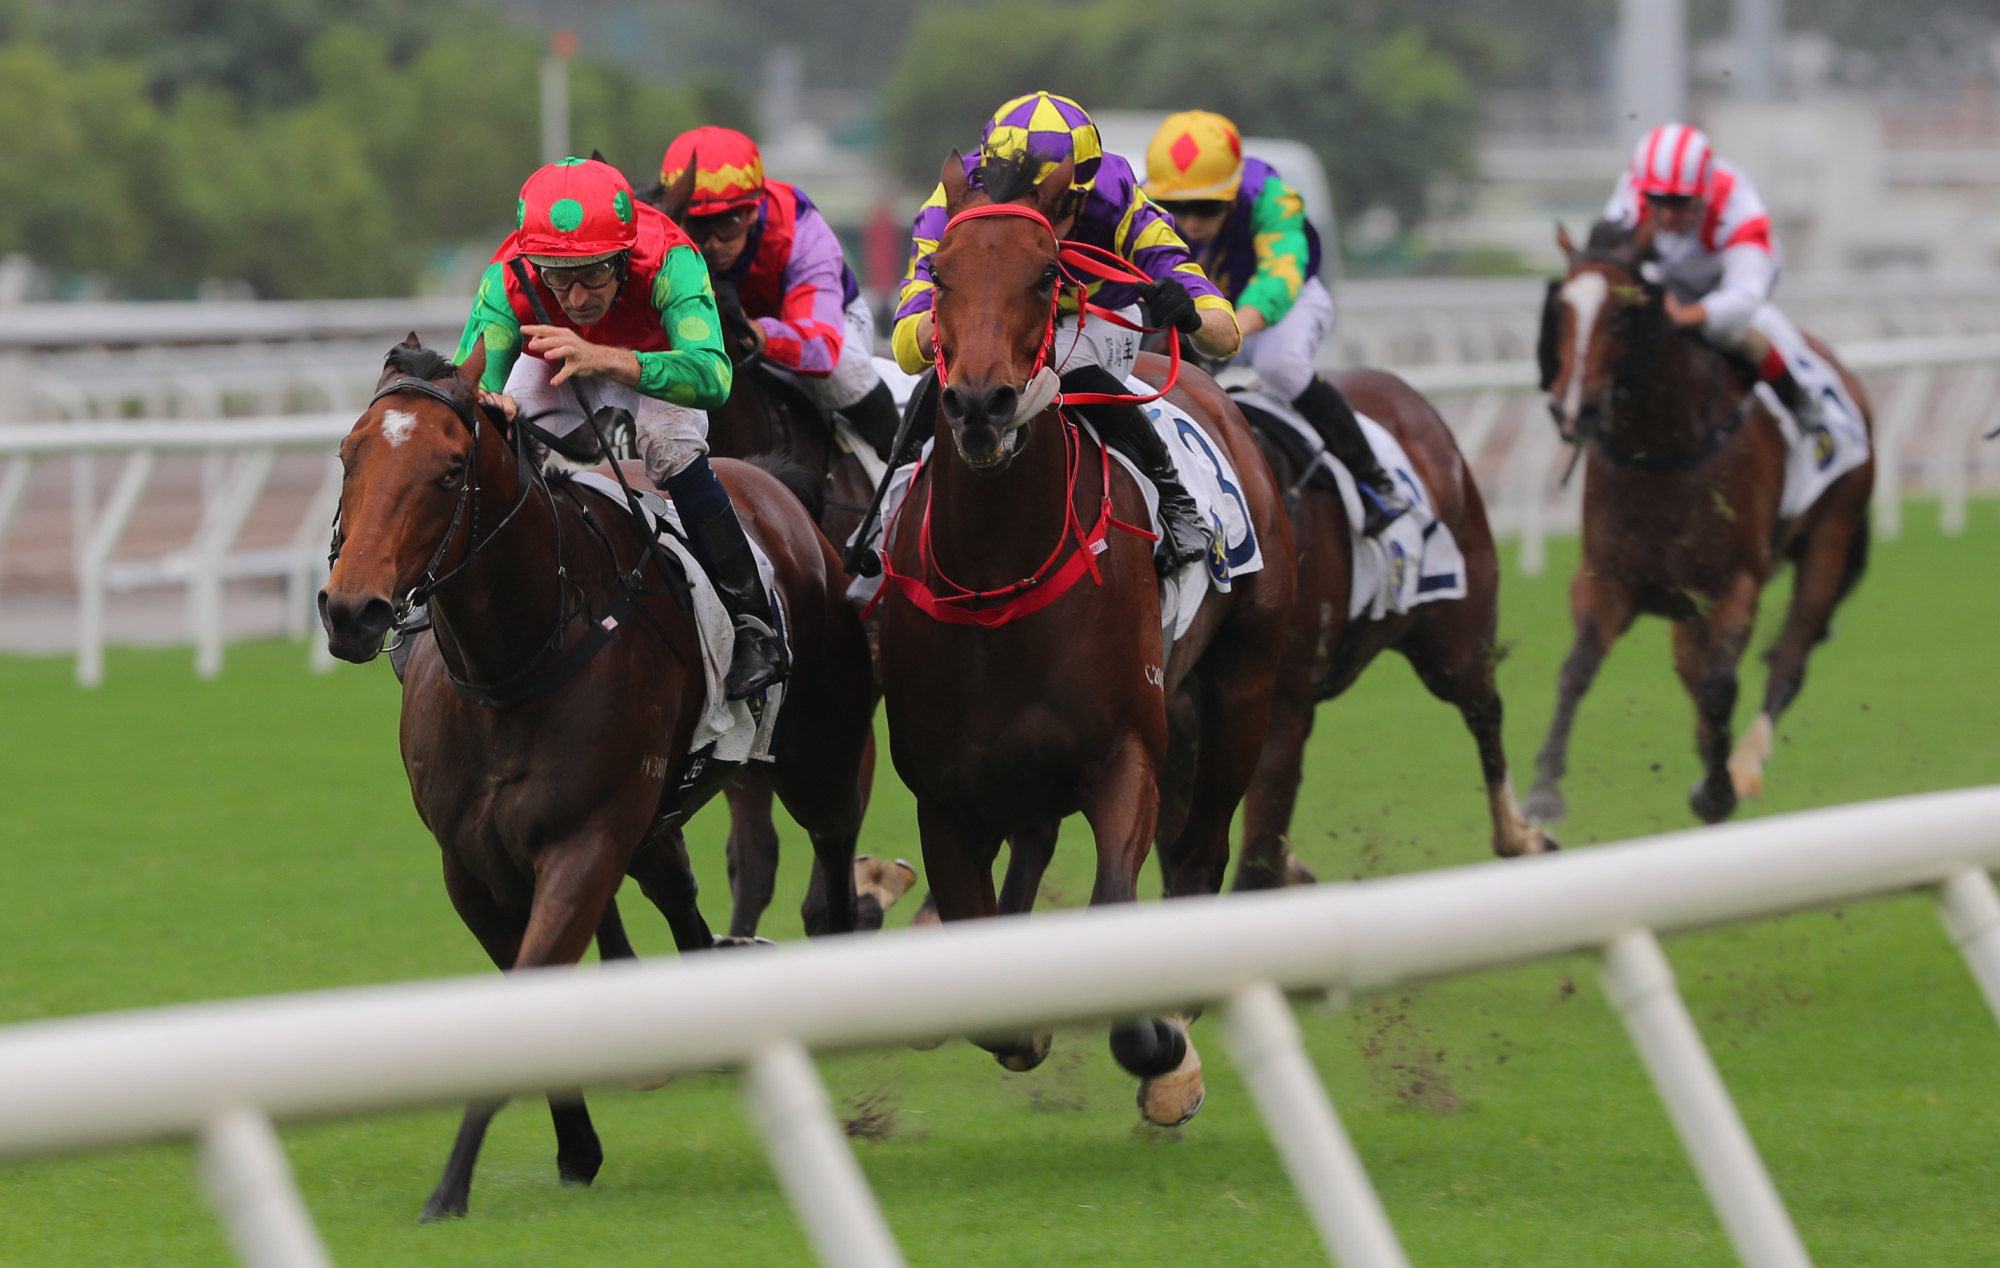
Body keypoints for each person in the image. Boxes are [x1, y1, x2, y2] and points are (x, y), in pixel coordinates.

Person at [454, 156, 785, 699]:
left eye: (594, 274)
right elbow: (469, 388)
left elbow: (713, 376)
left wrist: (607, 358)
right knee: (493, 439)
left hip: (658, 362)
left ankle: (755, 625)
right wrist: (492, 406)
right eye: (558, 278)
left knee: (672, 446)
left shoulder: (673, 259)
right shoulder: (508, 273)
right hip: (561, 360)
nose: (577, 297)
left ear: (627, 257)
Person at [893, 91, 1241, 571]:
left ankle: (1173, 496)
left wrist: (1192, 313)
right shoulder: (952, 204)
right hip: (1001, 313)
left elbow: (1225, 334)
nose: (1043, 218)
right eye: (1018, 196)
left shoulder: (1117, 197)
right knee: (950, 375)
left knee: (1066, 365)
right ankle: (886, 518)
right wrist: (963, 322)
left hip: (1091, 317)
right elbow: (907, 347)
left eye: (1060, 206)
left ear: (1085, 188)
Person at [1144, 109, 1408, 535]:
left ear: (1231, 195)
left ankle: (1374, 479)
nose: (1190, 221)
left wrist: (1219, 330)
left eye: (1206, 208)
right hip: (1205, 315)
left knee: (1279, 366)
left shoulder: (1272, 197)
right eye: (1175, 207)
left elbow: (1277, 280)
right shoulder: (1141, 204)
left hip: (1281, 306)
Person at [1603, 121, 1862, 459]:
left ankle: (1803, 407)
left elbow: (1744, 297)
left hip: (1729, 284)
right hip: (1666, 276)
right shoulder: (1632, 191)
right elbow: (1611, 263)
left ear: (1701, 194)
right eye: (1657, 200)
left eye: (1679, 202)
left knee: (1736, 334)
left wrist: (1684, 316)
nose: (1665, 215)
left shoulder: (1739, 208)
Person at [659, 126, 901, 461]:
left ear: (753, 210)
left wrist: (755, 332)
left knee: (841, 371)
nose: (712, 244)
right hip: (737, 332)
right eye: (698, 226)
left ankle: (901, 460)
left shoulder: (802, 231)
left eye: (728, 224)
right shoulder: (663, 234)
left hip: (827, 326)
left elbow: (821, 346)